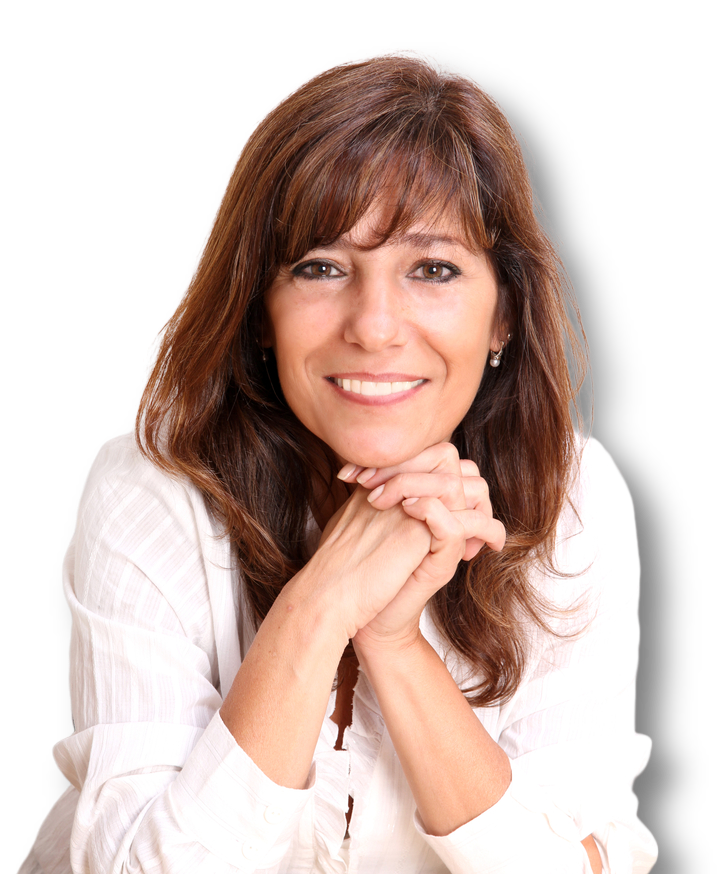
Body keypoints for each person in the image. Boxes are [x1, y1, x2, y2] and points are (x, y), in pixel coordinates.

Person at [19, 48, 658, 873]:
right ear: (259, 312)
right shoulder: (152, 492)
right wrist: (323, 603)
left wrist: (394, 643)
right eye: (322, 267)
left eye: (433, 269)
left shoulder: (575, 501)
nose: (375, 326)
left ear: (504, 316)